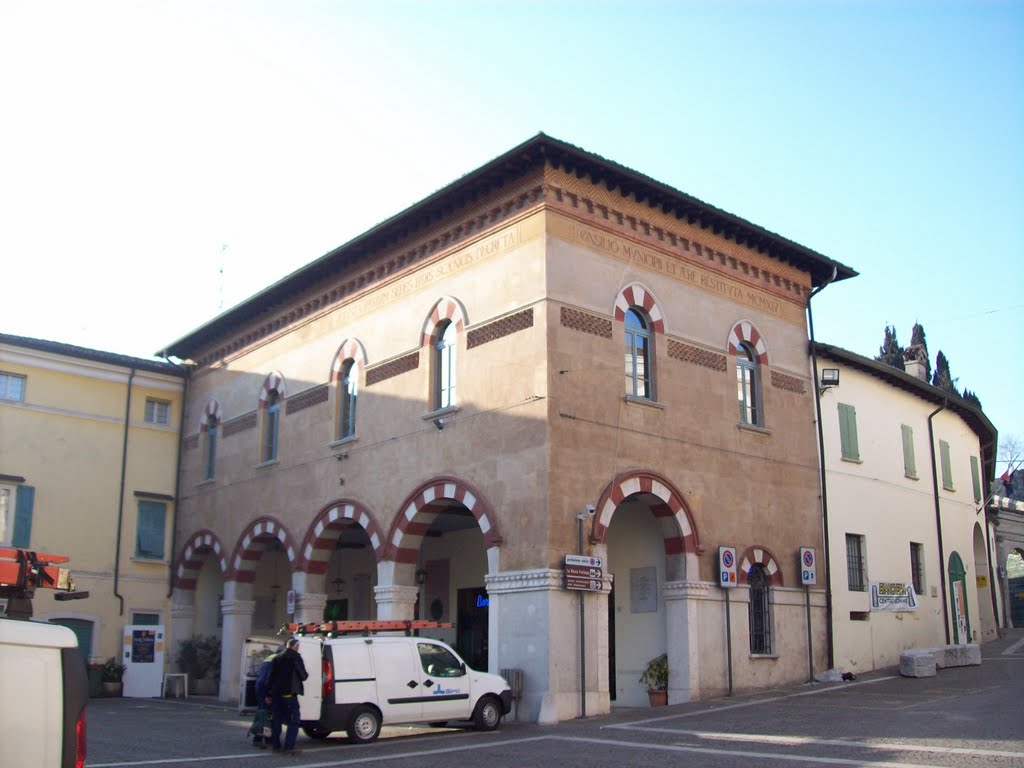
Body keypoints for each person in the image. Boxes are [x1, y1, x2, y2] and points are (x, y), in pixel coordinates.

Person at [267, 637, 308, 755]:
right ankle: (289, 746)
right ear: (295, 646)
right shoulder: (295, 657)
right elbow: (303, 676)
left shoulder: (277, 657)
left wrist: (268, 694)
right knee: (294, 720)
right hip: (288, 694)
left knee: (276, 720)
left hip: (275, 694)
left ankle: (276, 745)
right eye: (298, 647)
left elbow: (270, 677)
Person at [247, 646, 282, 748]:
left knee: (262, 713)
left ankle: (258, 738)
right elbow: (270, 678)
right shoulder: (277, 659)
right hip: (266, 688)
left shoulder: (269, 658)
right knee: (268, 716)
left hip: (259, 686)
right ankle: (267, 740)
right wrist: (269, 695)